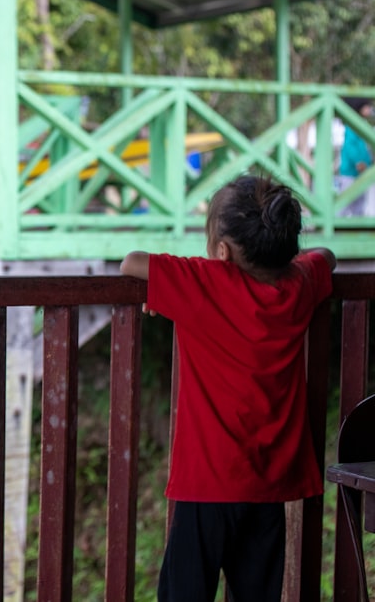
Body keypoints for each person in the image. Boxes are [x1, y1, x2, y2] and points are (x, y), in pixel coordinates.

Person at [119, 174, 336, 602]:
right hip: (270, 485)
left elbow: (130, 263)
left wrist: (173, 292)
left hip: (207, 484)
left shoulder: (206, 282)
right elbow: (325, 256)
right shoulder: (299, 284)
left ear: (221, 252)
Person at [336, 97, 374, 216]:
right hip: (350, 172)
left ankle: (357, 223)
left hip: (361, 172)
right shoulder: (352, 125)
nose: (370, 109)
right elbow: (350, 146)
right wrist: (358, 161)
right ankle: (337, 221)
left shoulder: (363, 123)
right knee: (345, 201)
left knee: (360, 202)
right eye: (367, 106)